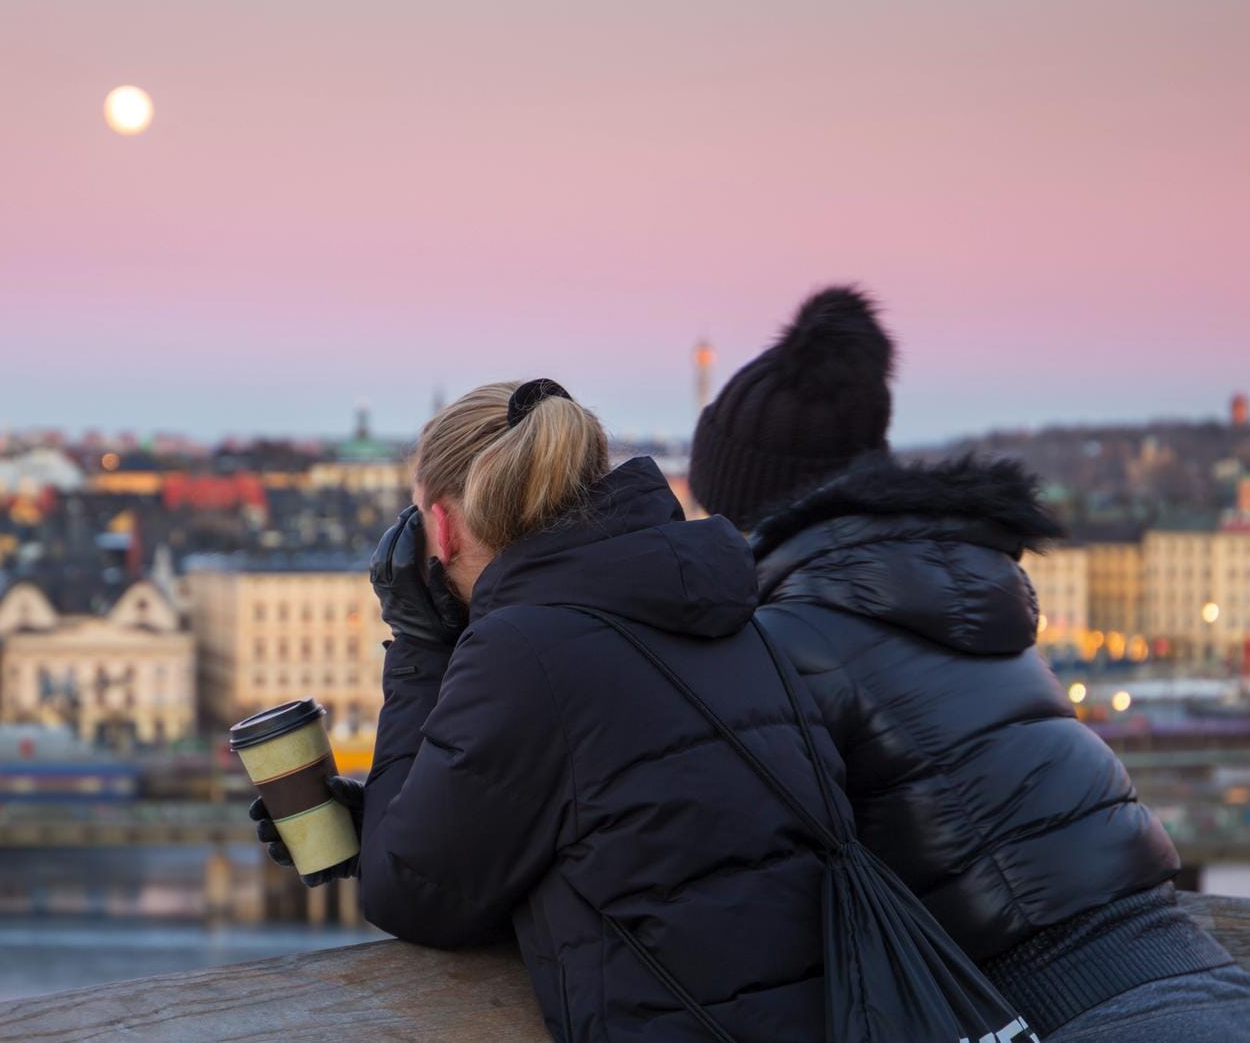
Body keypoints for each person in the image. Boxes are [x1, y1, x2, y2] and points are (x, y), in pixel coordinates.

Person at [689, 285, 1250, 1042]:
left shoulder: (789, 637)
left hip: (1073, 1004)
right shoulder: (959, 582)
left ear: (744, 512)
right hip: (1192, 966)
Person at [256, 379, 853, 1041]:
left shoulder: (525, 651)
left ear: (442, 529)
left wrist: (420, 646)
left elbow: (413, 896)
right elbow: (606, 826)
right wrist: (381, 820)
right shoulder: (721, 609)